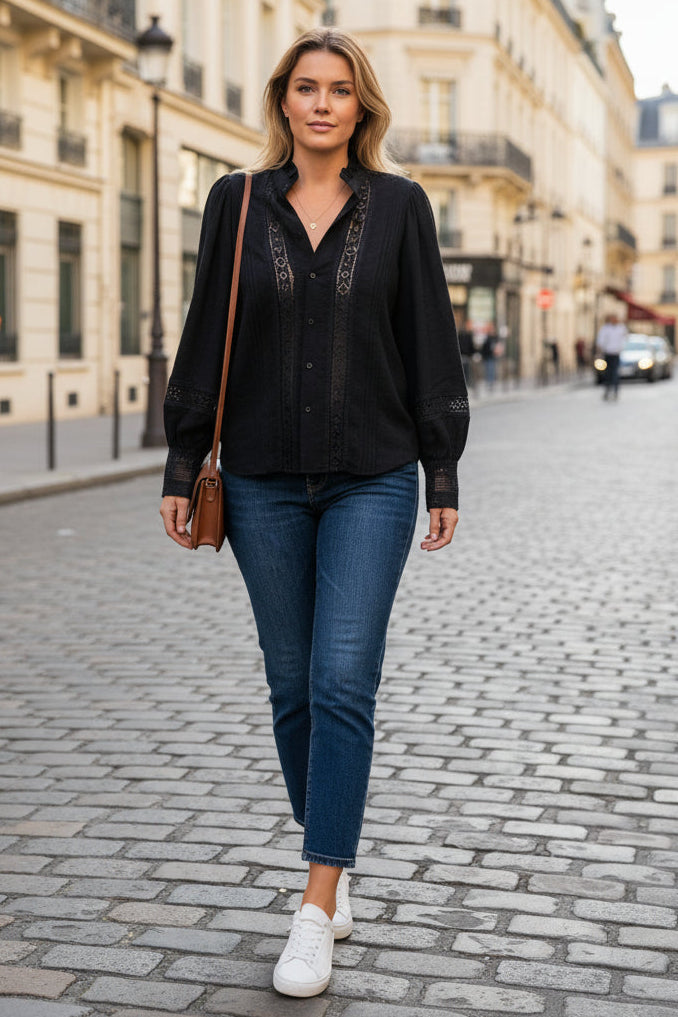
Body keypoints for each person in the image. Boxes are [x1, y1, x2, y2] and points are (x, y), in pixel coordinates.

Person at [159, 27, 469, 999]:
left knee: (342, 680)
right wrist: (180, 459)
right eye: (307, 88)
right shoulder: (236, 203)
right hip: (255, 478)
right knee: (292, 688)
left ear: (361, 106)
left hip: (371, 475)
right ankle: (333, 859)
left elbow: (429, 341)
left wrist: (442, 471)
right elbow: (207, 328)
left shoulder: (402, 208)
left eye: (340, 89)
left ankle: (314, 900)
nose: (324, 103)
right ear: (283, 101)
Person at [596, 314, 627, 399]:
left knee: (615, 372)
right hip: (608, 353)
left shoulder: (621, 328)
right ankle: (607, 389)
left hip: (616, 353)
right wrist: (600, 349)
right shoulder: (606, 328)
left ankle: (615, 390)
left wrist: (621, 348)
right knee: (608, 372)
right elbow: (601, 340)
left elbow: (624, 339)